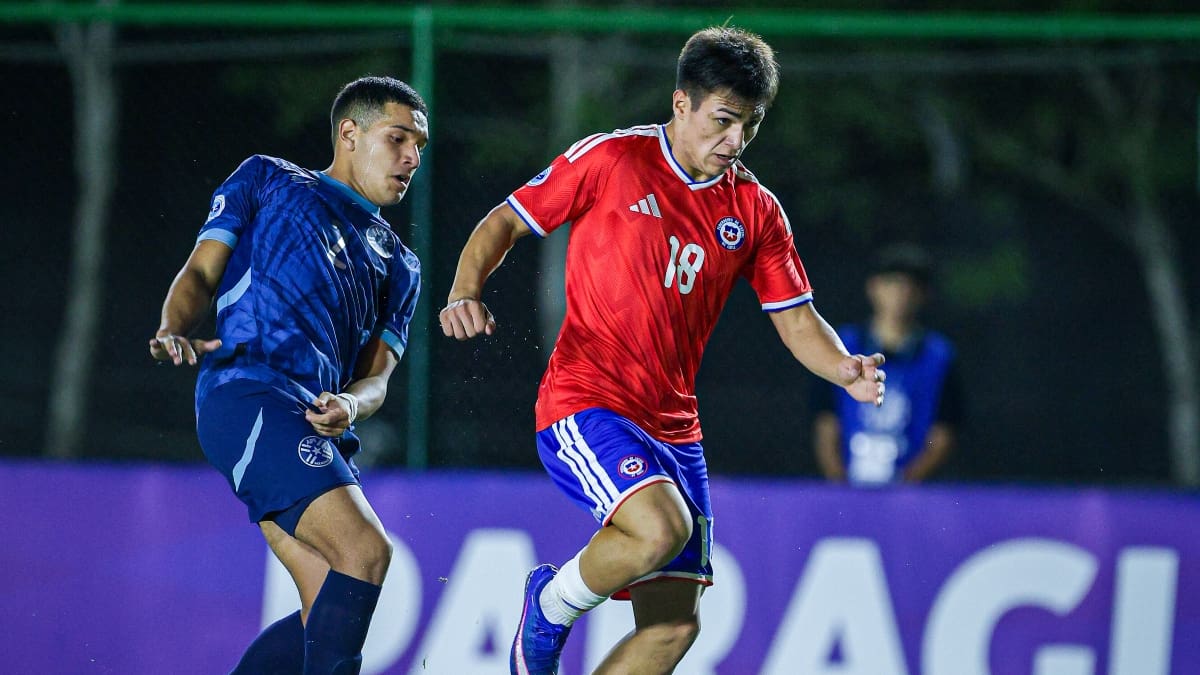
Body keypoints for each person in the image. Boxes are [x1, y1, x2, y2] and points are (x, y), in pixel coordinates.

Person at [439, 26, 886, 675]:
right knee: (658, 529)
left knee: (673, 627)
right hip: (585, 401)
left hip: (676, 431)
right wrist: (463, 289)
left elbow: (796, 319)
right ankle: (551, 605)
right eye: (724, 120)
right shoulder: (612, 159)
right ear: (682, 104)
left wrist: (842, 366)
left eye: (751, 126)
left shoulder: (755, 210)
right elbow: (506, 218)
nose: (735, 142)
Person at [149, 76, 427, 674]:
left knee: (326, 595)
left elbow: (377, 380)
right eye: (398, 137)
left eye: (420, 147)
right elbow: (200, 272)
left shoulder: (400, 264)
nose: (412, 157)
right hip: (247, 391)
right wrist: (174, 324)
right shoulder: (268, 179)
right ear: (349, 134)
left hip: (313, 423)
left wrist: (352, 406)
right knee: (366, 551)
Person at [812, 243, 962, 486]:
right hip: (848, 484)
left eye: (910, 287)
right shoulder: (842, 345)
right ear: (873, 287)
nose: (900, 295)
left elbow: (943, 434)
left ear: (924, 295)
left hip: (910, 491)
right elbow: (826, 423)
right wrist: (839, 486)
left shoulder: (939, 357)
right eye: (892, 284)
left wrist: (904, 486)